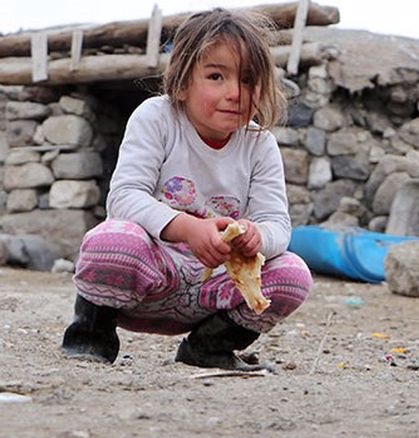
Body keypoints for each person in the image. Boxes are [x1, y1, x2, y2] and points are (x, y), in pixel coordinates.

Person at [61, 8, 313, 371]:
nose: (235, 93)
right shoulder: (156, 118)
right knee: (111, 241)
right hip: (151, 277)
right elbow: (124, 197)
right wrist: (188, 229)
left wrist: (257, 237)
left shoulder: (260, 145)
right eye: (216, 76)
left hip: (214, 291)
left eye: (247, 79)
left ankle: (209, 348)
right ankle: (91, 339)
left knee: (292, 274)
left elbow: (278, 225)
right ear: (181, 82)